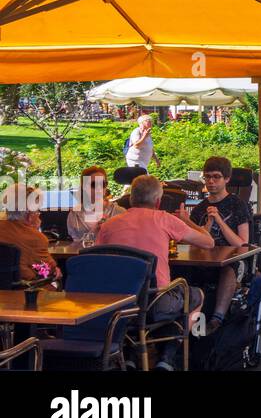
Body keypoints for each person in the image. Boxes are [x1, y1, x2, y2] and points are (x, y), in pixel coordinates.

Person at [97, 175, 214, 370]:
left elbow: (97, 259)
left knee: (153, 305)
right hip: (155, 303)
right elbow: (208, 242)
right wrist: (187, 221)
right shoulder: (163, 219)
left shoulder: (108, 225)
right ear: (158, 201)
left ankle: (133, 357)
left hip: (118, 306)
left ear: (131, 199)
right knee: (196, 295)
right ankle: (167, 358)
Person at [176, 156, 251, 330]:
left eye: (216, 177)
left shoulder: (238, 205)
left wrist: (219, 220)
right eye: (207, 177)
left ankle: (217, 318)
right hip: (203, 260)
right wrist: (188, 223)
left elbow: (242, 244)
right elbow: (195, 241)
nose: (211, 181)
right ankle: (189, 322)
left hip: (232, 261)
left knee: (228, 270)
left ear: (227, 179)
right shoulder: (199, 208)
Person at [0, 184, 60, 284]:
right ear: (29, 213)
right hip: (25, 293)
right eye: (37, 210)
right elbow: (48, 270)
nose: (38, 214)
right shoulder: (36, 239)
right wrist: (35, 231)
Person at [67, 166, 124, 243]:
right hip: (85, 254)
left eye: (103, 184)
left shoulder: (119, 212)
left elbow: (123, 242)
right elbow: (75, 245)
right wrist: (95, 230)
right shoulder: (75, 214)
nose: (99, 188)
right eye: (94, 184)